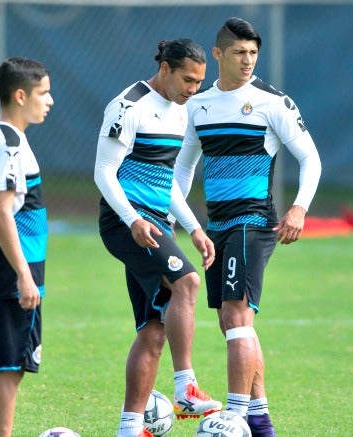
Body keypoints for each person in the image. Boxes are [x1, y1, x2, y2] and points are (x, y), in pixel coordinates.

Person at [174, 17, 322, 437]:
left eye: (253, 53)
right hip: (216, 224)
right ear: (218, 54)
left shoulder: (272, 102)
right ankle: (259, 420)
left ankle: (233, 419)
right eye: (239, 52)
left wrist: (299, 208)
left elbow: (311, 158)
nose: (248, 60)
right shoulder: (198, 105)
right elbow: (184, 167)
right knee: (230, 319)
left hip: (252, 222)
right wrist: (178, 214)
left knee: (237, 313)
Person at [93, 38, 222, 437]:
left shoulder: (179, 112)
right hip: (125, 223)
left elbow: (165, 186)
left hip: (155, 224)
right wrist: (132, 220)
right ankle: (185, 388)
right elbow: (104, 172)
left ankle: (130, 428)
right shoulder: (128, 105)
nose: (193, 89)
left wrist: (195, 227)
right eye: (187, 79)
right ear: (165, 69)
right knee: (188, 282)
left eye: (199, 82)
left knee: (153, 329)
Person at [0, 57, 54, 437]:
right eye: (43, 93)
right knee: (10, 369)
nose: (49, 100)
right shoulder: (10, 146)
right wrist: (23, 274)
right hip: (13, 273)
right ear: (20, 95)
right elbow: (1, 211)